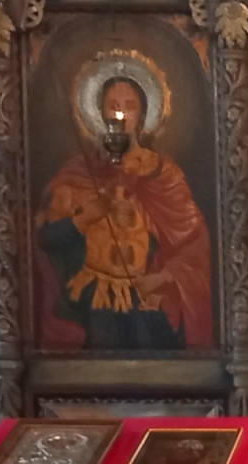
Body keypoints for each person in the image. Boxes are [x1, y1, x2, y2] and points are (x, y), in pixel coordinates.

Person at [36, 75, 213, 350]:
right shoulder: (79, 172)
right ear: (100, 114)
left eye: (129, 106)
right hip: (92, 297)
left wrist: (160, 278)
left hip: (148, 293)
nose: (121, 114)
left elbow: (195, 241)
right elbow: (47, 239)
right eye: (113, 106)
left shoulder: (164, 176)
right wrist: (85, 218)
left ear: (142, 117)